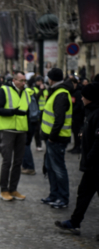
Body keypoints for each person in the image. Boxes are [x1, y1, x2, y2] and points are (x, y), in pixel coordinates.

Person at [55, 83, 99, 236]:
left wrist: (90, 157)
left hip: (95, 164)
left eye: (84, 96)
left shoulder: (97, 113)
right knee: (83, 194)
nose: (81, 98)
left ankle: (74, 222)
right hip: (91, 166)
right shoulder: (91, 110)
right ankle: (74, 222)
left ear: (91, 98)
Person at [41, 68, 73, 209]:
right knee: (50, 168)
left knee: (58, 169)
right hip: (53, 138)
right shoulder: (57, 92)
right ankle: (53, 195)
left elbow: (59, 120)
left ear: (51, 79)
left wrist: (52, 137)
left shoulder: (60, 94)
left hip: (57, 139)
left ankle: (62, 198)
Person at [0, 70, 30, 201]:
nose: (23, 83)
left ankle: (13, 189)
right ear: (14, 80)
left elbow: (28, 111)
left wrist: (30, 131)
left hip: (22, 131)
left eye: (25, 81)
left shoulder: (26, 92)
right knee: (7, 161)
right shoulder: (4, 90)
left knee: (18, 162)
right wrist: (12, 112)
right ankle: (3, 190)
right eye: (21, 80)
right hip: (8, 130)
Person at [21, 76, 39, 175]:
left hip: (28, 122)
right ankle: (25, 165)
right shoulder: (32, 92)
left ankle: (29, 167)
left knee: (25, 144)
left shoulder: (25, 93)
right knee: (25, 144)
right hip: (33, 121)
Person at [67, 77, 84, 154]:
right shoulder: (71, 92)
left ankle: (78, 147)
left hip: (78, 116)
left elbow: (79, 105)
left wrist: (72, 111)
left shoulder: (78, 92)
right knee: (75, 131)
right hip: (73, 116)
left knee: (77, 131)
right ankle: (76, 146)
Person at [33, 76, 48, 151]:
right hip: (37, 111)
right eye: (38, 81)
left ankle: (47, 143)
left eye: (41, 81)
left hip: (45, 111)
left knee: (45, 127)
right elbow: (36, 97)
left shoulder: (46, 89)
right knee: (37, 129)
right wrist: (41, 90)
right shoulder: (34, 89)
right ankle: (38, 144)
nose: (40, 83)